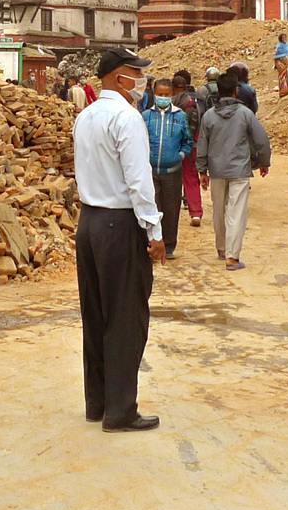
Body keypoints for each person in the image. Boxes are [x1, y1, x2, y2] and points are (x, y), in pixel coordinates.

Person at [73, 46, 166, 432]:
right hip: (119, 223)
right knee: (126, 316)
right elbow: (138, 181)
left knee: (95, 315)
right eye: (135, 72)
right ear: (116, 77)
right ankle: (121, 409)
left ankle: (98, 401)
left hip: (90, 221)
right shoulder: (126, 118)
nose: (141, 80)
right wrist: (155, 230)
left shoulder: (87, 116)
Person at [197, 72, 271, 270]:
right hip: (239, 169)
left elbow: (202, 143)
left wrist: (202, 170)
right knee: (236, 212)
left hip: (216, 170)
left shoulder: (209, 116)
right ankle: (232, 257)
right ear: (236, 90)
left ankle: (221, 248)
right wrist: (264, 162)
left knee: (218, 211)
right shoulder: (245, 113)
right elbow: (261, 139)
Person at [140, 73, 193, 259]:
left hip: (172, 171)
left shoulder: (180, 116)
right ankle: (151, 244)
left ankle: (169, 246)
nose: (163, 97)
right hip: (151, 171)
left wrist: (180, 155)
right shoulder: (145, 116)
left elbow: (188, 140)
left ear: (171, 95)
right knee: (152, 208)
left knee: (171, 209)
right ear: (154, 94)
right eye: (160, 94)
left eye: (166, 94)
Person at [172, 69, 205, 228]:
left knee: (170, 181)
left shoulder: (172, 102)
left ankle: (170, 213)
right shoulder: (195, 101)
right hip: (192, 146)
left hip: (172, 147)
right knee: (191, 178)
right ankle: (196, 212)